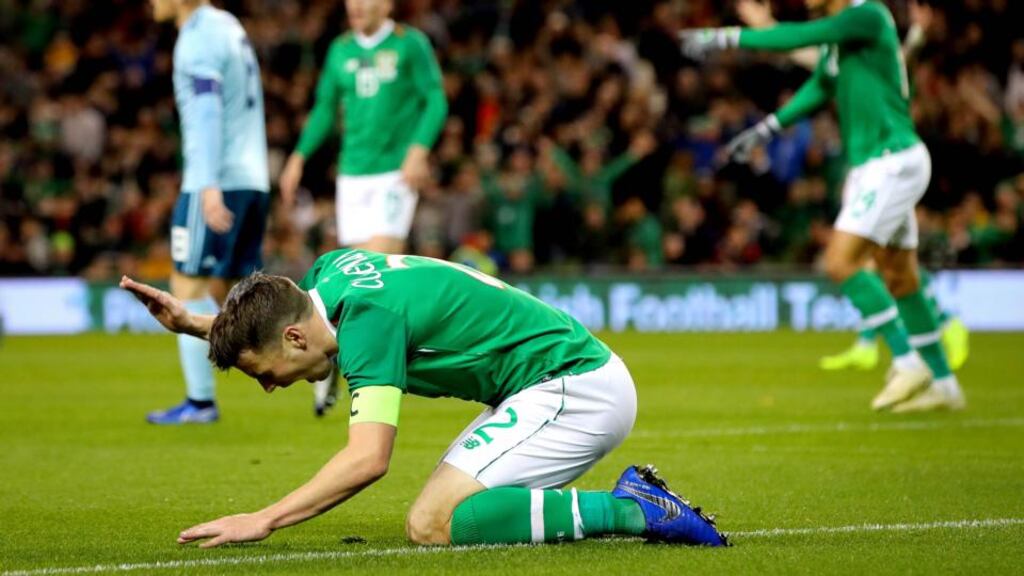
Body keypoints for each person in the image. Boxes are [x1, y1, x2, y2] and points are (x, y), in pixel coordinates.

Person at [119, 249, 727, 548]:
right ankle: (632, 504)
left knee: (433, 523)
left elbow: (369, 459)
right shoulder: (331, 275)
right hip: (541, 388)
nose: (270, 386)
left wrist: (266, 518)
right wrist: (202, 324)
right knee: (437, 516)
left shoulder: (369, 324)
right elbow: (278, 319)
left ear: (295, 337)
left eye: (264, 373)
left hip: (575, 389)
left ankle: (637, 508)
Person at [681, 0, 965, 412]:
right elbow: (819, 86)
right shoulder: (842, 35)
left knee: (839, 262)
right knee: (900, 277)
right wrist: (766, 128)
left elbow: (799, 37)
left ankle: (906, 360)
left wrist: (726, 36)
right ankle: (945, 386)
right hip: (880, 164)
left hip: (891, 160)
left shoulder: (867, 15)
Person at [145, 0, 270, 424]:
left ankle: (200, 402)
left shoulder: (197, 36)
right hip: (253, 177)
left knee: (187, 284)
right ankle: (317, 354)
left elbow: (207, 111)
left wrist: (207, 182)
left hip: (218, 179)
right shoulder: (228, 24)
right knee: (240, 292)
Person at [277, 0, 447, 254]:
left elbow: (435, 100)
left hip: (394, 170)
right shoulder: (340, 49)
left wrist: (418, 151)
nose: (355, 6)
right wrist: (299, 156)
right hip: (351, 171)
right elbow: (325, 108)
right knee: (360, 269)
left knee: (380, 260)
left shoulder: (410, 43)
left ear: (387, 5)